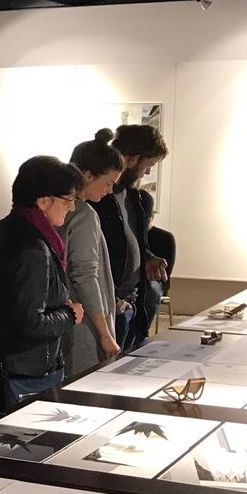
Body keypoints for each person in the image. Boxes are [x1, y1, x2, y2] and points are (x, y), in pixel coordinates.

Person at [0, 156, 84, 412]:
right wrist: (69, 315)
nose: (72, 207)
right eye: (68, 199)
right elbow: (31, 321)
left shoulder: (6, 228)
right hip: (26, 371)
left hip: (12, 363)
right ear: (43, 201)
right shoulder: (33, 247)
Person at [93, 123, 169, 351]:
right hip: (110, 305)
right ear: (133, 159)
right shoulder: (97, 199)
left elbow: (135, 242)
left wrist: (148, 257)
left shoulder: (138, 199)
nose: (147, 173)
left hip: (132, 303)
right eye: (148, 166)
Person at [62, 134, 124, 378]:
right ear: (87, 175)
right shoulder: (83, 214)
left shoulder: (64, 211)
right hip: (84, 325)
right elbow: (85, 275)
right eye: (108, 183)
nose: (110, 191)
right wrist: (105, 334)